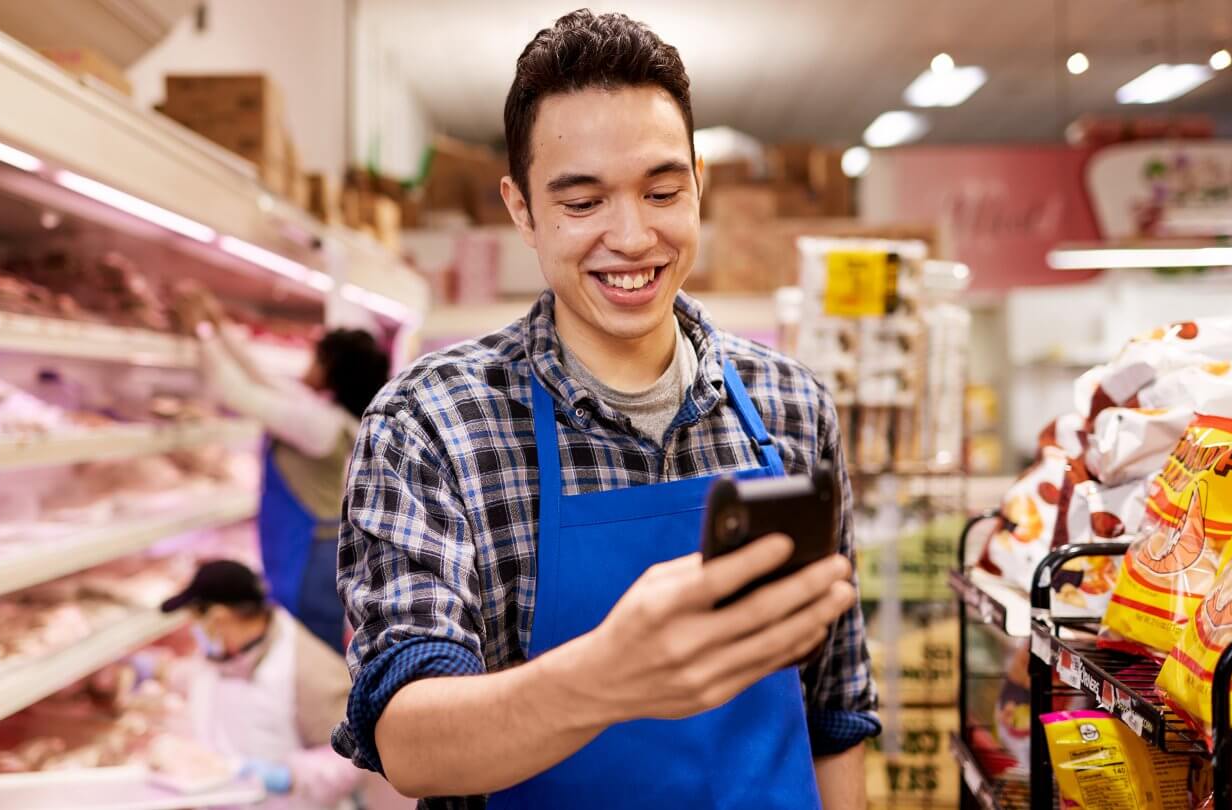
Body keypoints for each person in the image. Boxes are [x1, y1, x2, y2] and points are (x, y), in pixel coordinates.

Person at [331, 11, 878, 809]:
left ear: (699, 180)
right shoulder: (431, 425)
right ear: (521, 210)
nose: (633, 236)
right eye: (583, 203)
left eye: (662, 191)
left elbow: (834, 707)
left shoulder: (793, 405)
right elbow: (406, 738)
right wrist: (606, 677)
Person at [189, 295, 391, 653]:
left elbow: (236, 392)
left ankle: (322, 707)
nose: (309, 362)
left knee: (306, 649)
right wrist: (219, 326)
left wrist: (200, 331)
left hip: (307, 554)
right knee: (307, 643)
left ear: (333, 369)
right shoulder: (325, 414)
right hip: (311, 546)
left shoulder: (317, 424)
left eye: (317, 356)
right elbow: (261, 378)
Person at [159, 559, 362, 809]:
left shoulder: (309, 668)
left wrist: (290, 777)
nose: (194, 630)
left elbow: (352, 756)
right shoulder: (223, 652)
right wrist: (151, 669)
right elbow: (198, 681)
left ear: (218, 617)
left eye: (195, 621)